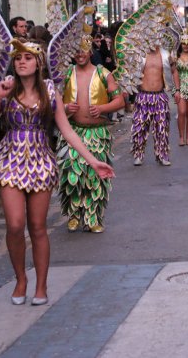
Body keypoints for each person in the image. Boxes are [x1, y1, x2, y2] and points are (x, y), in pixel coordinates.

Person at [0, 39, 114, 305]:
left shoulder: (51, 91)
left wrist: (92, 160)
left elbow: (67, 131)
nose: (21, 62)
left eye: (28, 58)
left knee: (38, 227)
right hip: (9, 160)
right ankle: (21, 280)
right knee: (15, 225)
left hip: (40, 160)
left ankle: (41, 284)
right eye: (18, 58)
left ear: (38, 63)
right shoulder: (4, 88)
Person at [59, 35, 124, 233]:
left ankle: (93, 217)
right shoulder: (65, 74)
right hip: (73, 131)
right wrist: (65, 107)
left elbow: (120, 101)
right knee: (72, 174)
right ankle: (73, 215)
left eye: (83, 50)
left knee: (95, 177)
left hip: (97, 134)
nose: (80, 54)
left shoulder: (104, 74)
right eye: (76, 51)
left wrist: (103, 108)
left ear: (90, 52)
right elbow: (51, 103)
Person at [131, 45, 179, 166]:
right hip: (143, 96)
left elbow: (174, 71)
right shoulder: (140, 54)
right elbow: (130, 71)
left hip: (159, 96)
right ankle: (138, 155)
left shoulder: (165, 54)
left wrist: (177, 90)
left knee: (162, 128)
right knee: (139, 128)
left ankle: (162, 155)